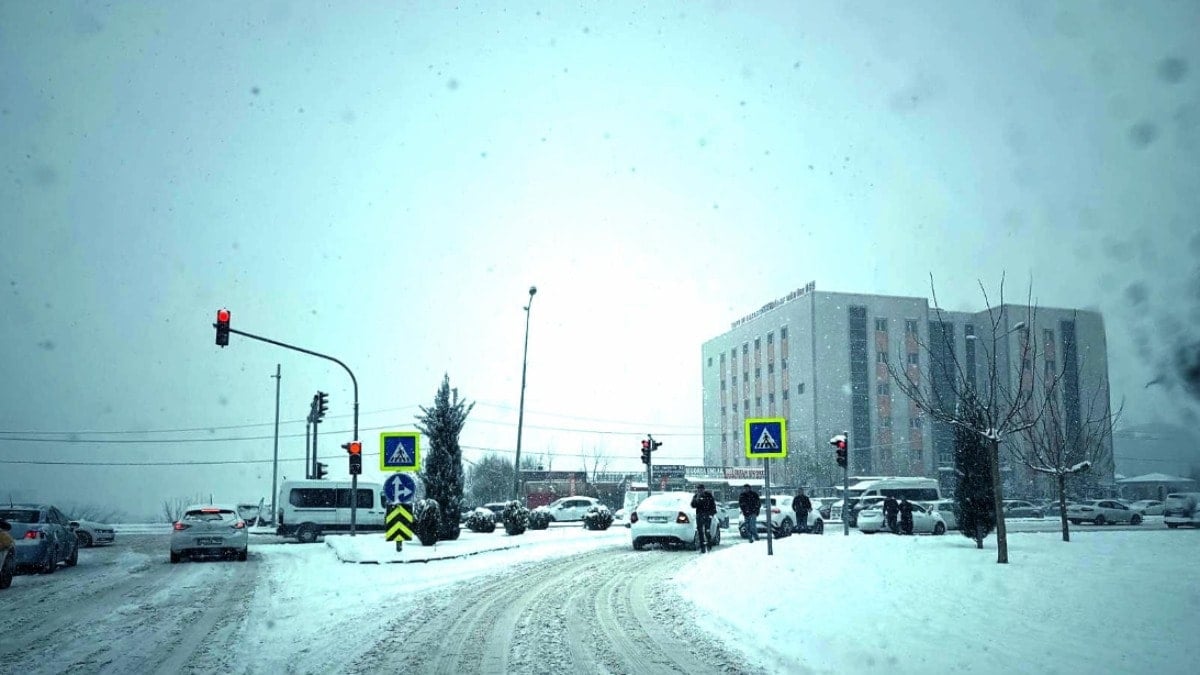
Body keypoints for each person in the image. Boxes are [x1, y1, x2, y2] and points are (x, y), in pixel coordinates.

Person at [690, 484, 718, 554]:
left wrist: (711, 514)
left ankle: (709, 544)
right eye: (699, 489)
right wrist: (697, 499)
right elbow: (693, 505)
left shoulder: (708, 495)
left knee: (707, 531)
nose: (700, 490)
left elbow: (713, 505)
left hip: (707, 515)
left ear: (704, 489)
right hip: (699, 515)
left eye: (701, 489)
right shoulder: (696, 496)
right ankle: (702, 547)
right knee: (700, 532)